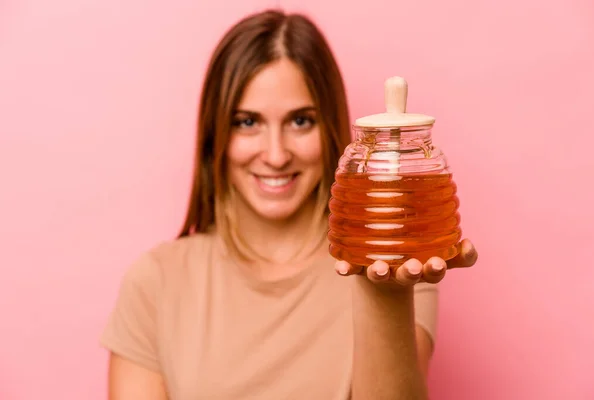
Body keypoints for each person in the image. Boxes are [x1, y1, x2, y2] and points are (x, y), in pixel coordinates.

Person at [100, 8, 478, 400]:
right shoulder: (156, 281)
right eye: (247, 122)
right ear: (216, 133)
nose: (276, 155)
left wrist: (382, 292)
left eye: (300, 121)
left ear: (329, 125)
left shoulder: (395, 266)